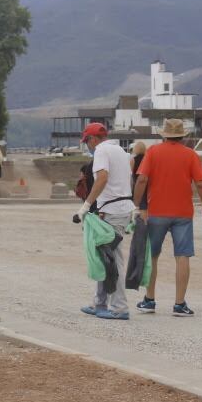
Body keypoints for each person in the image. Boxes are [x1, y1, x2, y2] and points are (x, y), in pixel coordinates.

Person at [132, 119, 202, 317]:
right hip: (183, 213)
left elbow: (142, 179)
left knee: (153, 256)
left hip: (157, 211)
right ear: (183, 136)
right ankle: (179, 304)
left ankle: (149, 300)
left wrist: (135, 205)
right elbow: (201, 184)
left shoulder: (153, 152)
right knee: (182, 256)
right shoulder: (190, 154)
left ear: (164, 135)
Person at [75, 122, 133, 320]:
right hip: (119, 208)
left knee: (112, 258)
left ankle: (120, 307)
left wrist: (86, 206)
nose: (88, 146)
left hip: (113, 210)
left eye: (87, 142)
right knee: (104, 255)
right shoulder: (121, 151)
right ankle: (99, 302)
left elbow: (102, 178)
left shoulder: (100, 151)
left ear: (92, 139)